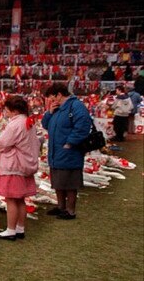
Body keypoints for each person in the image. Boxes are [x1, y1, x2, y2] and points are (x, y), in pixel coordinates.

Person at [0, 96, 40, 240]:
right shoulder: (28, 122)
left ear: (14, 110)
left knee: (11, 199)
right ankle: (20, 228)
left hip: (14, 165)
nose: (5, 113)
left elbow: (3, 143)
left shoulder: (15, 124)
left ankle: (10, 230)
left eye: (7, 110)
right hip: (25, 163)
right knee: (20, 199)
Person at [41, 83, 92, 220]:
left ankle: (70, 210)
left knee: (70, 182)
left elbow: (82, 126)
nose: (51, 101)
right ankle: (61, 207)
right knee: (58, 181)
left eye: (52, 98)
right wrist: (49, 112)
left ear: (59, 95)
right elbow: (45, 125)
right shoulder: (58, 108)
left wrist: (70, 143)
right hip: (56, 150)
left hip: (69, 150)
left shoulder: (76, 106)